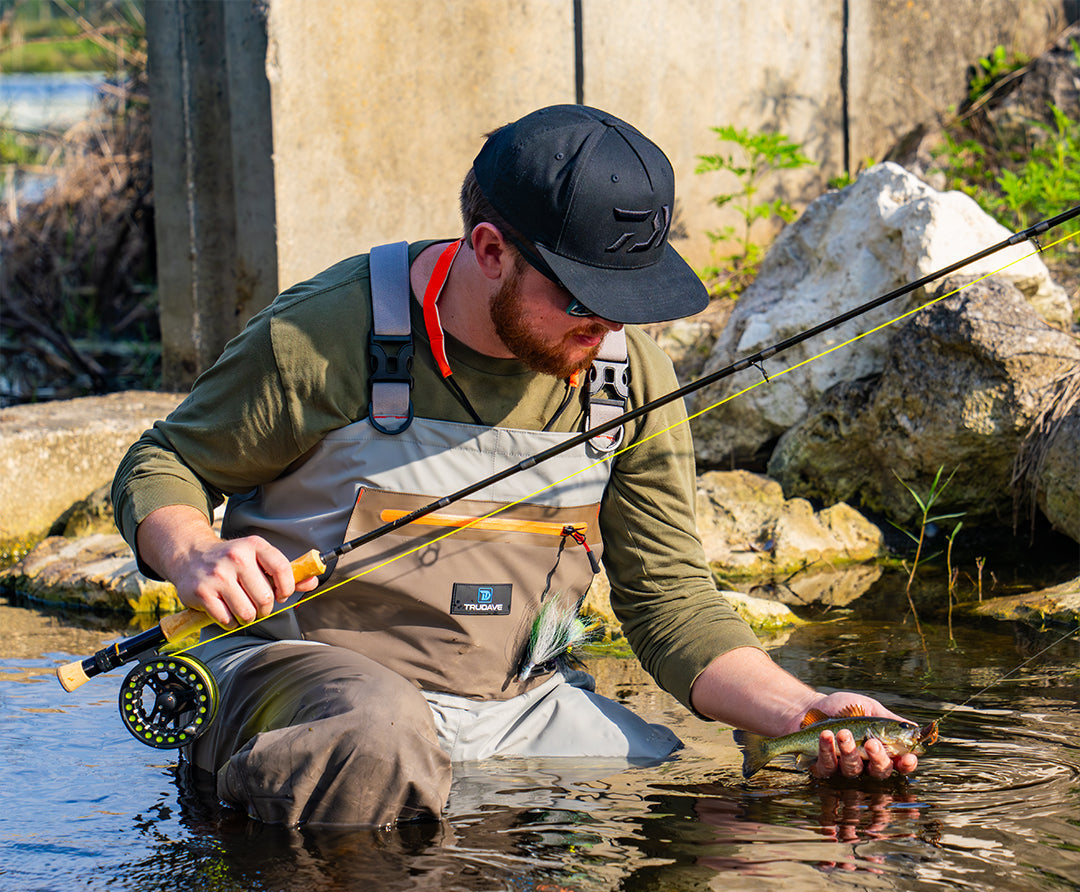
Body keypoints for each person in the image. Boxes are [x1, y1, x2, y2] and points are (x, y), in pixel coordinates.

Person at [112, 104, 918, 828]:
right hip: (292, 684)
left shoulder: (631, 375)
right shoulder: (321, 337)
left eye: (625, 303)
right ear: (490, 250)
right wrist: (193, 550)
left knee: (678, 795)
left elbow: (669, 599)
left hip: (510, 710)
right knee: (380, 734)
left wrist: (802, 710)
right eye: (580, 300)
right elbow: (164, 461)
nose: (605, 331)